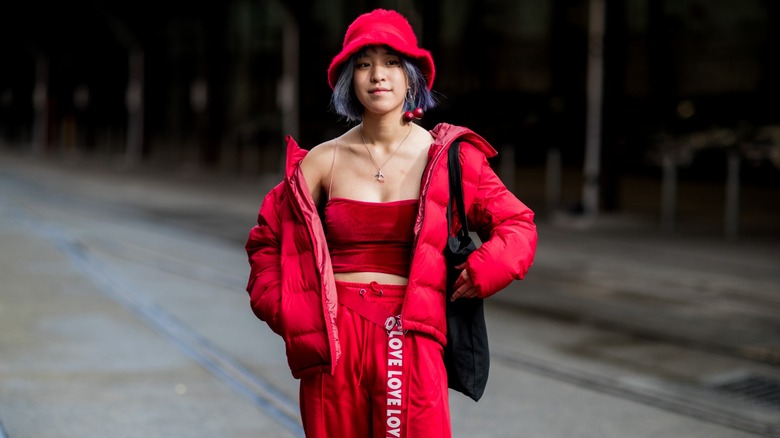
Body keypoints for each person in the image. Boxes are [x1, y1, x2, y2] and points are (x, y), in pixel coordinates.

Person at [244, 8, 537, 438]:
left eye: (391, 63)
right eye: (363, 64)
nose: (377, 75)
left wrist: (483, 270)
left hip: (413, 335)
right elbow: (266, 243)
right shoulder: (322, 161)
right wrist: (289, 310)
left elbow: (518, 225)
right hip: (334, 342)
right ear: (348, 79)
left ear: (412, 75)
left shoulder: (451, 158)